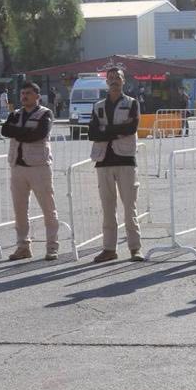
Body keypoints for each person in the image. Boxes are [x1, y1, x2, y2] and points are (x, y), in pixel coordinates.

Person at [0, 82, 61, 261]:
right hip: (17, 167)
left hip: (39, 167)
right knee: (20, 210)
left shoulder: (45, 113)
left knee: (48, 209)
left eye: (28, 93)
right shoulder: (15, 114)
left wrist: (17, 132)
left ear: (37, 96)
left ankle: (52, 246)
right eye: (22, 93)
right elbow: (5, 130)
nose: (24, 96)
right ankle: (23, 246)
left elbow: (39, 134)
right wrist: (25, 131)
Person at [89, 67, 142, 263]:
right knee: (108, 208)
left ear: (123, 81)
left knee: (130, 208)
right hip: (103, 160)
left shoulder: (132, 103)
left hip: (125, 160)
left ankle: (135, 248)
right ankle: (109, 249)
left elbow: (131, 128)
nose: (114, 80)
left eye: (117, 77)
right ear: (106, 82)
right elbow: (92, 133)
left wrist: (106, 130)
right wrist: (116, 130)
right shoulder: (98, 106)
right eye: (110, 78)